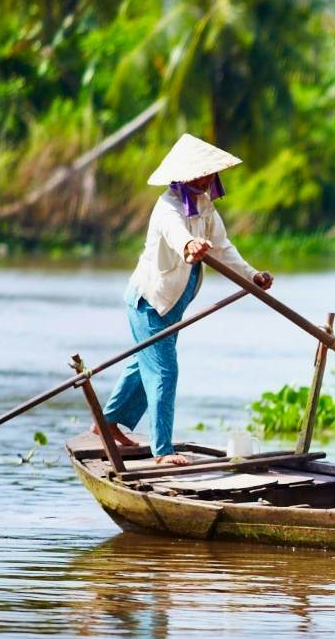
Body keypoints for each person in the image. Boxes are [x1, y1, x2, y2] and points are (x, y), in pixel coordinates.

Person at [94, 134, 273, 466]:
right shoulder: (168, 207)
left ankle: (106, 423)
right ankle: (162, 453)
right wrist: (191, 246)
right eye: (198, 174)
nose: (204, 180)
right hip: (150, 303)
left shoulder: (205, 207)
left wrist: (253, 276)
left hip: (173, 304)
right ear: (183, 176)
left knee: (141, 364)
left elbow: (223, 247)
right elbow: (179, 235)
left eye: (208, 174)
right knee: (163, 372)